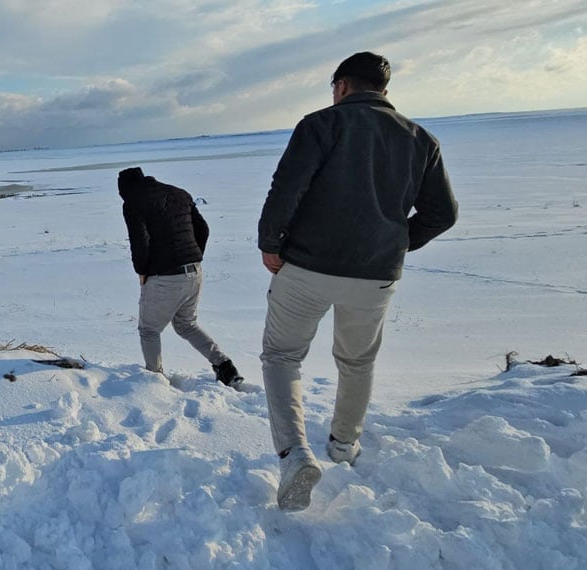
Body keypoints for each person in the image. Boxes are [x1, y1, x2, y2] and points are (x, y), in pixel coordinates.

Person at [257, 52, 458, 511]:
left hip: (306, 268)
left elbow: (285, 188)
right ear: (383, 91)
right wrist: (396, 243)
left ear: (343, 86)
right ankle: (344, 445)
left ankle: (293, 454)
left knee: (282, 356)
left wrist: (271, 242)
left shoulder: (320, 125)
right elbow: (443, 214)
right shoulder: (421, 139)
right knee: (357, 360)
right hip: (374, 277)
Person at [119, 167, 243, 387]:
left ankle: (154, 381)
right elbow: (203, 229)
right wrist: (193, 257)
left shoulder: (133, 202)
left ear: (125, 188)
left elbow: (140, 241)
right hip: (194, 272)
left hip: (165, 277)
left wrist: (142, 271)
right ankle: (225, 366)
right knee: (187, 325)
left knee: (149, 330)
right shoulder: (179, 193)